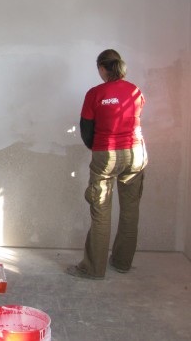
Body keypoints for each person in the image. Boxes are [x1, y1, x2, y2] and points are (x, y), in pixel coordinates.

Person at [67, 49, 148, 280]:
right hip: (136, 153)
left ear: (102, 68)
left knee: (101, 212)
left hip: (107, 154)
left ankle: (93, 268)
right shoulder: (135, 91)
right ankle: (122, 263)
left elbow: (86, 128)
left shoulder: (96, 93)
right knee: (130, 210)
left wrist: (96, 147)